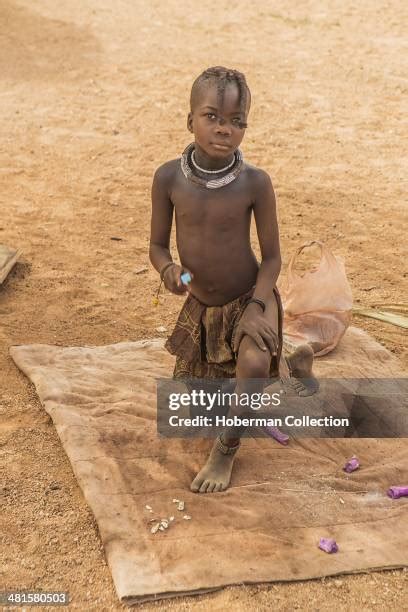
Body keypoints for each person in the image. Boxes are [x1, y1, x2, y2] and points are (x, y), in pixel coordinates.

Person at [149, 66, 318, 494]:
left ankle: (225, 451)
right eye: (213, 117)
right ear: (190, 121)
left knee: (254, 366)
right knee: (202, 410)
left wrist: (258, 307)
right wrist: (169, 271)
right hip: (204, 306)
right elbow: (157, 247)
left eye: (236, 121)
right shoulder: (168, 179)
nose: (225, 129)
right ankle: (297, 365)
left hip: (251, 295)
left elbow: (273, 258)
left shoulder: (254, 184)